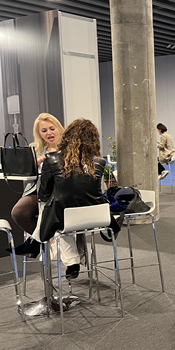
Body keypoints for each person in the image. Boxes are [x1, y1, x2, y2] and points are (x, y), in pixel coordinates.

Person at [38, 119, 109, 280]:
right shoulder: (99, 161)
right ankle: (41, 246)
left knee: (50, 212)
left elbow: (43, 195)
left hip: (67, 220)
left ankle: (40, 246)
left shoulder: (52, 160)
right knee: (60, 213)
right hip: (97, 218)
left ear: (67, 137)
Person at [10, 113, 65, 257]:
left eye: (52, 128)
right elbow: (27, 175)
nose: (49, 133)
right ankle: (46, 241)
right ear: (39, 134)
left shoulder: (70, 148)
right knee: (18, 212)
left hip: (62, 191)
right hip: (40, 190)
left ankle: (36, 242)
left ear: (59, 128)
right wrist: (35, 165)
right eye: (44, 130)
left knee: (49, 208)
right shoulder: (35, 149)